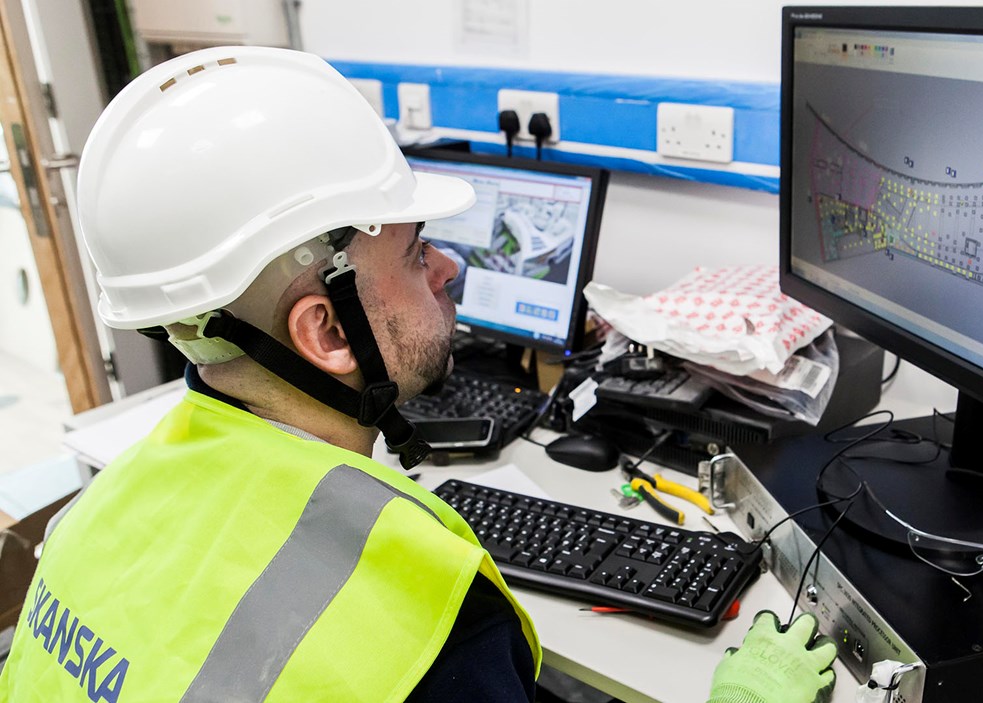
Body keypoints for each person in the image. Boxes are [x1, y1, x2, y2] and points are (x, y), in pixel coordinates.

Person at [0, 45, 836, 702]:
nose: (445, 267)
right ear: (325, 329)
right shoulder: (425, 624)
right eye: (410, 250)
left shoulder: (89, 521)